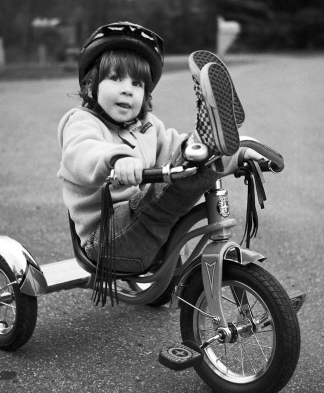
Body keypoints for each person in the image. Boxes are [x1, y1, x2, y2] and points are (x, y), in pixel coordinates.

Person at [57, 22, 258, 304]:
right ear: (90, 85)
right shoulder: (82, 123)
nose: (127, 90)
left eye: (137, 84)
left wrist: (243, 155)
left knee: (189, 158)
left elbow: (173, 146)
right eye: (116, 78)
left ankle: (221, 146)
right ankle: (207, 141)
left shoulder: (148, 126)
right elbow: (82, 153)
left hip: (144, 231)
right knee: (171, 188)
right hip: (107, 238)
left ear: (146, 94)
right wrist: (117, 158)